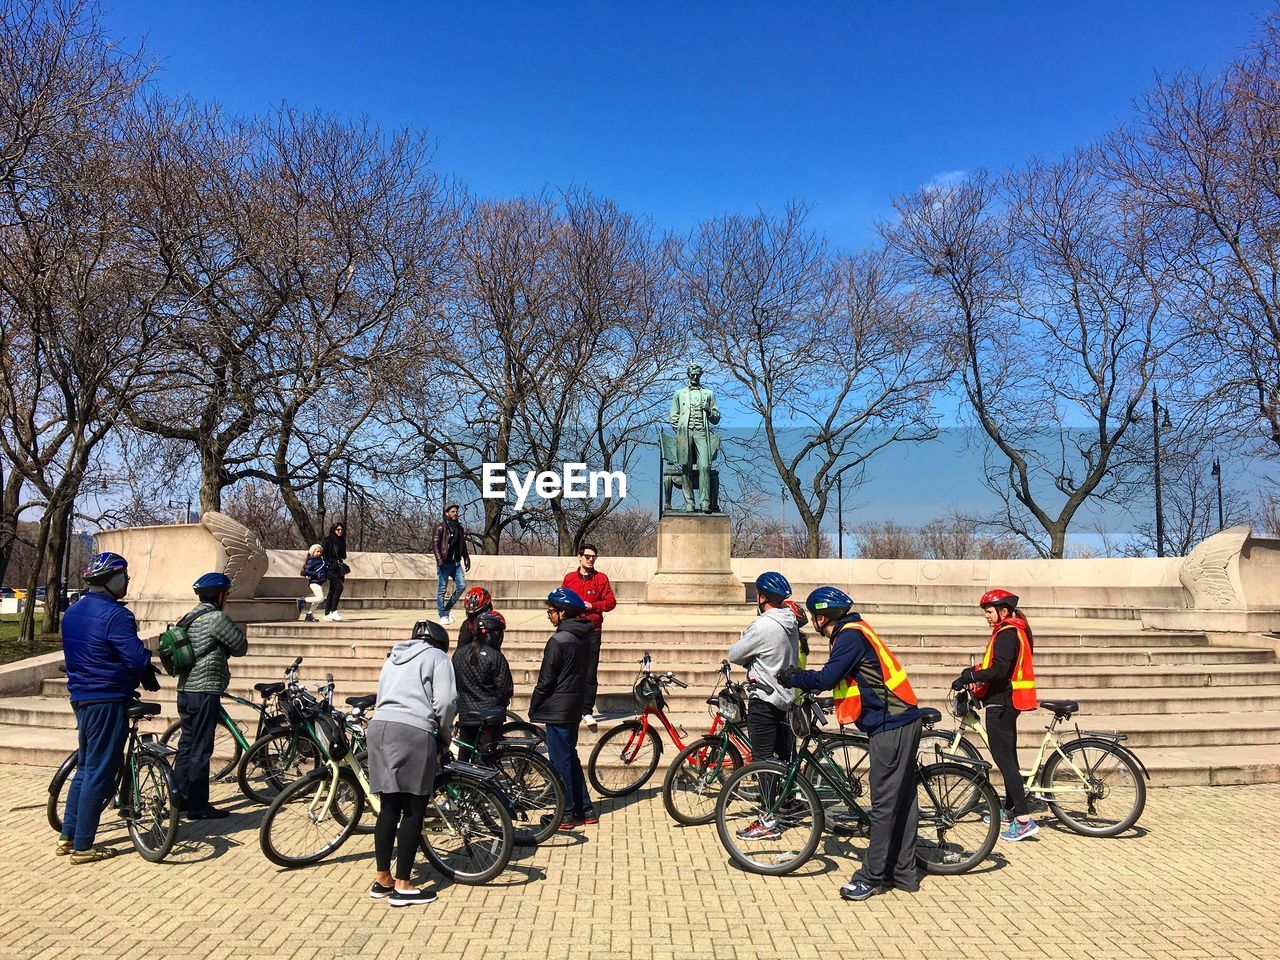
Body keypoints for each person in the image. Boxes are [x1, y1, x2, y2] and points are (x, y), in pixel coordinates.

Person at [778, 586, 922, 902]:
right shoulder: (856, 630)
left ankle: (873, 877)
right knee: (904, 800)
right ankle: (904, 872)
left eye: (814, 616)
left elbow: (828, 677)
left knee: (884, 805)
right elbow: (857, 681)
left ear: (820, 617)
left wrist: (795, 678)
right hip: (899, 720)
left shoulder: (849, 637)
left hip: (891, 725)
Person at [58, 552, 160, 863]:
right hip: (108, 699)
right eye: (124, 576)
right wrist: (147, 668)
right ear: (113, 580)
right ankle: (84, 846)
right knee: (100, 772)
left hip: (82, 697)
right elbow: (135, 657)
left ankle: (69, 835)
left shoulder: (72, 613)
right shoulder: (116, 616)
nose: (127, 581)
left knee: (86, 767)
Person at [366, 619, 457, 907]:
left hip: (379, 727)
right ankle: (404, 885)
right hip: (413, 730)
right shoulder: (438, 657)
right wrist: (445, 735)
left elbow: (382, 693)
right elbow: (446, 701)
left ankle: (383, 879)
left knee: (389, 805)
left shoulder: (393, 656)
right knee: (415, 807)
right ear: (440, 643)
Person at [952, 588, 1039, 842]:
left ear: (1003, 611)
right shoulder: (1012, 630)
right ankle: (1010, 812)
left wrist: (972, 676)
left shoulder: (1007, 633)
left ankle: (1023, 821)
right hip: (1007, 702)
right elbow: (999, 665)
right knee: (1008, 757)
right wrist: (974, 670)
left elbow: (1000, 670)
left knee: (1005, 762)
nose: (987, 617)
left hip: (1001, 704)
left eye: (989, 612)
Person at [726, 571, 800, 840]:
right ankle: (787, 805)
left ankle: (768, 819)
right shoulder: (791, 621)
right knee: (784, 757)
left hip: (764, 699)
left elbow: (735, 654)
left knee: (763, 761)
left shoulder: (762, 625)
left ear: (762, 596)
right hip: (787, 698)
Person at [172, 572, 249, 819]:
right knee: (201, 749)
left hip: (185, 690)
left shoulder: (189, 617)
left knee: (186, 746)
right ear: (221, 595)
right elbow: (240, 646)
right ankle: (198, 806)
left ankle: (180, 800)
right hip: (205, 690)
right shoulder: (216, 618)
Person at [531, 587, 596, 830]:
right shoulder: (584, 637)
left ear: (563, 612)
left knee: (560, 761)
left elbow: (546, 680)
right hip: (574, 705)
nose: (549, 615)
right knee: (570, 756)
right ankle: (585, 808)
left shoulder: (558, 640)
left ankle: (566, 813)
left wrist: (535, 703)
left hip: (557, 707)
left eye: (551, 611)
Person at [560, 543, 616, 729]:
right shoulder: (569, 579)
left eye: (593, 557)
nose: (590, 560)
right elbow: (562, 599)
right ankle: (570, 706)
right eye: (587, 556)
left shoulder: (601, 579)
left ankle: (587, 710)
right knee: (570, 670)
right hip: (572, 630)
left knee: (590, 673)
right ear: (579, 557)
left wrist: (594, 606)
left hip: (593, 630)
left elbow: (610, 602)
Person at [453, 612, 514, 760]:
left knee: (464, 756)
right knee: (486, 758)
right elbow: (505, 690)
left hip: (466, 714)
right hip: (490, 716)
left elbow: (453, 684)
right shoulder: (495, 656)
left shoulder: (459, 654)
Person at [432, 504, 470, 625]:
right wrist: (440, 561)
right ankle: (442, 615)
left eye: (456, 512)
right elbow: (435, 545)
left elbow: (462, 545)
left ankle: (447, 609)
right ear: (447, 513)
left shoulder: (459, 528)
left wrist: (466, 558)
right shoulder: (440, 527)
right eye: (453, 511)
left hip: (456, 563)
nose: (455, 513)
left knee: (462, 586)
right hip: (444, 562)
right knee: (442, 589)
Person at [321, 522, 348, 622]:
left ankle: (327, 613)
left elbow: (344, 555)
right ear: (334, 530)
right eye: (338, 530)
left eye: (342, 530)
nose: (340, 531)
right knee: (339, 587)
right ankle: (334, 611)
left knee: (332, 590)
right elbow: (323, 554)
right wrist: (328, 564)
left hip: (338, 567)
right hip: (330, 567)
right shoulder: (328, 540)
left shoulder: (342, 540)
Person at [296, 544, 327, 622]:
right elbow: (306, 571)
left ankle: (309, 615)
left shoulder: (321, 560)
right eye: (317, 551)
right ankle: (302, 600)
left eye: (320, 552)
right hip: (314, 582)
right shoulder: (311, 560)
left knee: (317, 601)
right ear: (313, 552)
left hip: (319, 582)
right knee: (320, 598)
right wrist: (317, 574)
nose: (319, 553)